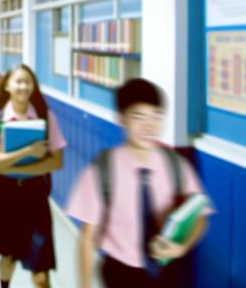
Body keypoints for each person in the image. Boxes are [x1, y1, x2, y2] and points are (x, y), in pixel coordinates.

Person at [66, 78, 214, 288]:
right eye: (139, 116)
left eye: (156, 116)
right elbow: (88, 239)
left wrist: (181, 248)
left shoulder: (176, 165)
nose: (149, 126)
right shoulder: (102, 169)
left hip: (167, 270)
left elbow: (201, 217)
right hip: (120, 271)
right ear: (121, 119)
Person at [0, 64, 66, 288]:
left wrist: (11, 168)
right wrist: (28, 152)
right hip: (5, 196)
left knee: (41, 268)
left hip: (35, 195)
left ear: (33, 86)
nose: (23, 86)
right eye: (18, 81)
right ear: (7, 85)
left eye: (28, 81)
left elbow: (57, 161)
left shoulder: (46, 117)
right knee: (8, 256)